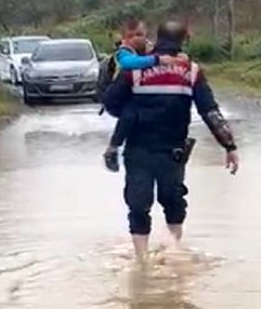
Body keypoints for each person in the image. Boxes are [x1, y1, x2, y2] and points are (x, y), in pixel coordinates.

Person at [102, 20, 240, 260]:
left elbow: (111, 103)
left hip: (138, 149)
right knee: (174, 202)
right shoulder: (191, 71)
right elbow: (210, 112)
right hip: (172, 151)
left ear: (157, 38)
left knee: (138, 204)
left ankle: (142, 261)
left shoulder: (135, 68)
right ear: (183, 40)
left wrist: (133, 110)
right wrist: (229, 146)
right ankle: (174, 252)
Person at [102, 19, 189, 172]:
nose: (136, 38)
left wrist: (179, 57)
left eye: (140, 34)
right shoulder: (123, 53)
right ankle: (113, 148)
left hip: (136, 94)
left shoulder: (148, 49)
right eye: (131, 36)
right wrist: (157, 59)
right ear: (123, 39)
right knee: (130, 112)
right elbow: (130, 63)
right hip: (116, 98)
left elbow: (168, 56)